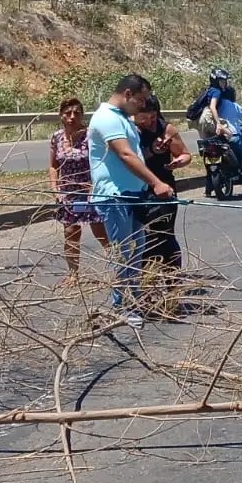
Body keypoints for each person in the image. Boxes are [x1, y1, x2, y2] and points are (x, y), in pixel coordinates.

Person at [87, 74, 176, 329]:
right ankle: (120, 307)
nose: (142, 105)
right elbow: (125, 155)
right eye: (141, 99)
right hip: (115, 196)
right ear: (127, 94)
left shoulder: (123, 118)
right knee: (123, 252)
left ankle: (132, 299)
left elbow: (135, 153)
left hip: (131, 194)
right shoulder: (106, 118)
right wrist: (156, 183)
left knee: (137, 246)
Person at [47, 97, 108, 286]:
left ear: (82, 115)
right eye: (68, 113)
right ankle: (73, 274)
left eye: (76, 113)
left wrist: (95, 187)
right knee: (71, 232)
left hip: (89, 190)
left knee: (100, 231)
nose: (72, 117)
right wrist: (55, 189)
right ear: (61, 116)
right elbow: (53, 166)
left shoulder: (91, 136)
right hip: (68, 192)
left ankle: (120, 268)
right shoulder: (57, 137)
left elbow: (101, 162)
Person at [134, 94, 193, 287]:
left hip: (164, 187)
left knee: (165, 234)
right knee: (141, 238)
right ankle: (143, 283)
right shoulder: (129, 130)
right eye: (144, 117)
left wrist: (177, 162)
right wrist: (151, 151)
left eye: (153, 116)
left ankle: (172, 283)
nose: (149, 122)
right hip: (137, 189)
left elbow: (185, 154)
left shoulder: (166, 129)